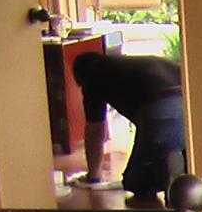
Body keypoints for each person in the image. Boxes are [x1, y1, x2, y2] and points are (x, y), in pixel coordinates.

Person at [71, 52, 185, 204]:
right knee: (171, 148)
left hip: (159, 108)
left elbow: (95, 130)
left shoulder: (92, 75)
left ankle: (167, 173)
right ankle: (177, 168)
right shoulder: (126, 64)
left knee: (136, 183)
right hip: (186, 101)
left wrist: (94, 177)